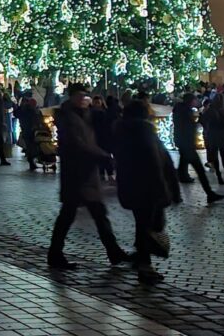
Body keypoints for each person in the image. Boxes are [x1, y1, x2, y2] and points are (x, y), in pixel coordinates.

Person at [46, 85, 130, 270]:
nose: (83, 99)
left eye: (85, 96)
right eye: (80, 95)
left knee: (94, 214)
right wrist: (104, 157)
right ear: (72, 97)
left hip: (85, 172)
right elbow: (79, 144)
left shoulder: (83, 115)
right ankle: (56, 254)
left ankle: (112, 252)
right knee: (72, 215)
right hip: (77, 172)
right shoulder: (69, 117)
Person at [114, 99, 178, 284]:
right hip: (148, 186)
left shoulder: (122, 131)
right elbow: (156, 161)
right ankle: (145, 265)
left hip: (132, 184)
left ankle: (142, 258)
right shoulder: (144, 131)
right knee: (148, 225)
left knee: (142, 224)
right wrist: (166, 188)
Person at [172, 93, 224, 203]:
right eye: (195, 100)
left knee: (182, 169)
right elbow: (187, 127)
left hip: (184, 143)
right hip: (187, 145)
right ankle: (209, 194)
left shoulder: (181, 110)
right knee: (200, 170)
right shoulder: (185, 111)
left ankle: (175, 194)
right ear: (191, 101)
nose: (197, 101)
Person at [201, 93, 224, 185]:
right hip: (222, 135)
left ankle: (219, 176)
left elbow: (204, 121)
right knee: (223, 155)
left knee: (215, 156)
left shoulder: (210, 110)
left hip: (212, 135)